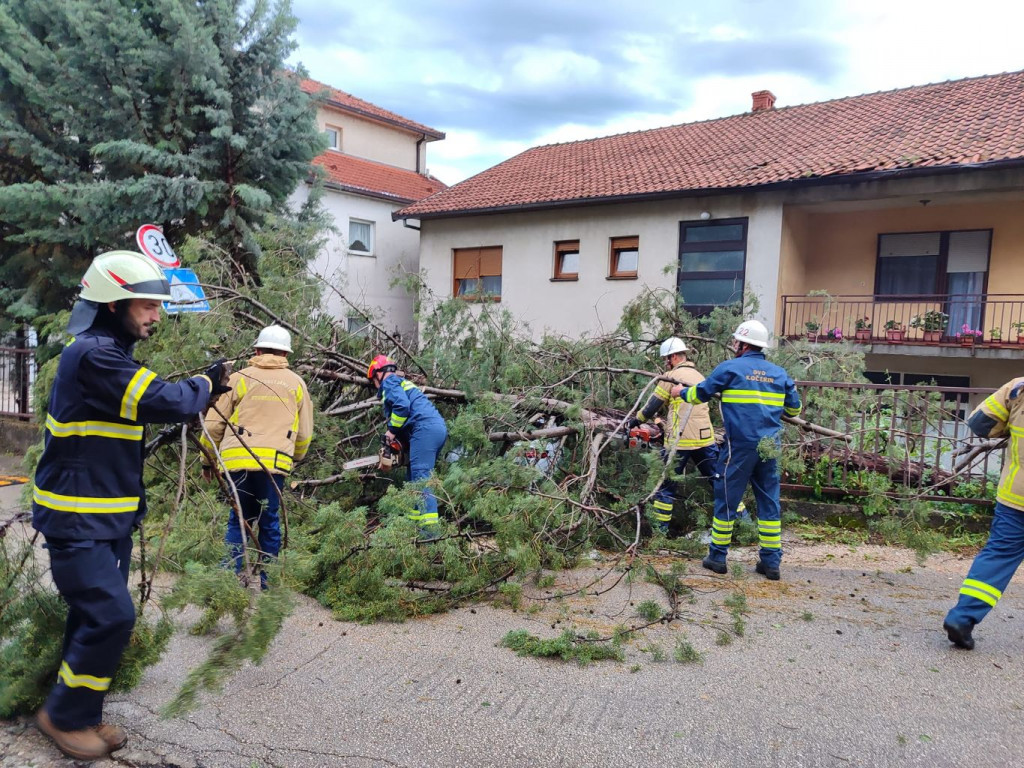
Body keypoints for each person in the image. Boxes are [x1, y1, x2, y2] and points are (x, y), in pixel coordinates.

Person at [31, 250, 230, 760]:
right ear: (112, 302)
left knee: (91, 615)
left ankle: (81, 712)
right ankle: (63, 716)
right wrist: (207, 384)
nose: (155, 316)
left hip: (105, 517)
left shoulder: (108, 355)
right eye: (146, 305)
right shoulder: (94, 356)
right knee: (112, 615)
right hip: (78, 518)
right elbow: (169, 402)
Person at [674, 320, 801, 580]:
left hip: (739, 447)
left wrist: (680, 392)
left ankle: (718, 557)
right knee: (769, 503)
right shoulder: (780, 373)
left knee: (727, 499)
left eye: (736, 342)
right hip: (770, 447)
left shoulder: (730, 368)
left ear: (743, 344)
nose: (734, 346)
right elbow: (794, 410)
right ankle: (771, 563)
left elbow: (701, 393)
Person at [200, 325, 313, 589]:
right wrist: (293, 457)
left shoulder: (238, 378)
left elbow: (214, 424)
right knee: (269, 521)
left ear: (257, 350)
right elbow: (305, 433)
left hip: (237, 463)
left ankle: (227, 582)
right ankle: (267, 582)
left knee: (238, 519)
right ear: (286, 353)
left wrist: (207, 460)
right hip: (273, 465)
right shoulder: (297, 383)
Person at [943, 378, 1024, 650]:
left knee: (998, 556)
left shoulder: (1018, 388)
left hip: (1016, 497)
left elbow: (980, 423)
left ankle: (962, 618)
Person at [627, 337, 720, 534]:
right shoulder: (700, 376)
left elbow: (653, 405)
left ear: (675, 357)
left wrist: (636, 420)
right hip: (705, 439)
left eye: (666, 359)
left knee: (665, 487)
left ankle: (659, 533)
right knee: (720, 482)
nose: (665, 363)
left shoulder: (670, 377)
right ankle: (743, 524)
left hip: (679, 441)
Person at [367, 355, 448, 539]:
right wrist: (396, 446)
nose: (374, 384)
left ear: (379, 374)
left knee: (421, 479)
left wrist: (391, 432)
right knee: (412, 480)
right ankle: (413, 529)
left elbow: (402, 407)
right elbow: (409, 415)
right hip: (429, 429)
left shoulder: (390, 383)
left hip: (424, 430)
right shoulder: (401, 383)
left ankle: (430, 534)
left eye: (373, 379)